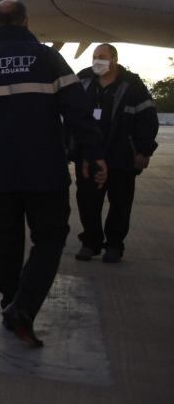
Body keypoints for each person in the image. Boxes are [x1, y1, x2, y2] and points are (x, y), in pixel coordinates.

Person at [0, 0, 105, 348]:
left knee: (5, 239)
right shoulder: (49, 59)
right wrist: (94, 154)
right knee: (49, 239)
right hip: (44, 169)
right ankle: (24, 306)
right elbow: (78, 111)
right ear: (24, 21)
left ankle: (10, 301)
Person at [72, 44, 158, 263]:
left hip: (122, 156)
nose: (97, 61)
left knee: (120, 203)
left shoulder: (133, 85)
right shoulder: (82, 80)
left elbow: (148, 119)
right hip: (90, 154)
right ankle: (90, 243)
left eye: (102, 57)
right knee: (87, 201)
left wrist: (143, 151)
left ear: (115, 60)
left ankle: (114, 245)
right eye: (94, 57)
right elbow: (71, 115)